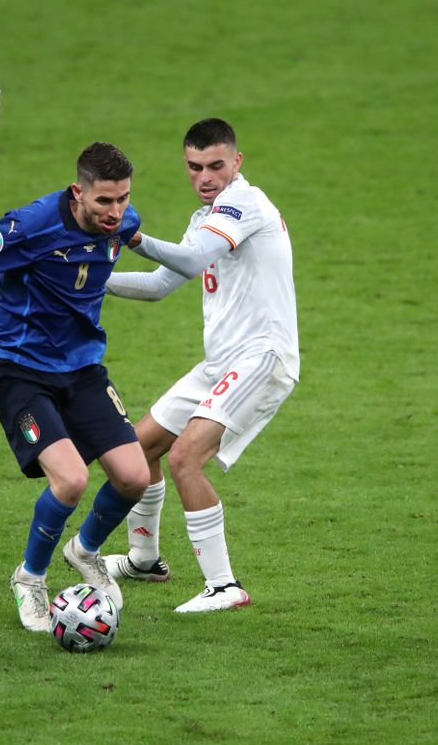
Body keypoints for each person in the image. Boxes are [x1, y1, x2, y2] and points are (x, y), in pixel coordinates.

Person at [0, 142, 150, 631]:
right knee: (72, 479)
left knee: (134, 476)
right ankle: (30, 577)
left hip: (82, 369)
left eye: (122, 199)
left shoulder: (122, 221)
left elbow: (131, 241)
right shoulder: (29, 226)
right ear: (78, 192)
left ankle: (85, 552)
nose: (115, 212)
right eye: (104, 201)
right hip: (18, 369)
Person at [98, 118, 299, 613]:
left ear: (237, 162)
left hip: (262, 356)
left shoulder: (243, 203)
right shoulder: (204, 218)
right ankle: (145, 559)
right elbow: (160, 285)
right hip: (220, 363)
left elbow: (191, 261)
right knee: (138, 449)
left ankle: (224, 586)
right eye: (194, 167)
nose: (205, 176)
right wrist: (88, 279)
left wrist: (137, 238)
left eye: (215, 165)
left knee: (186, 457)